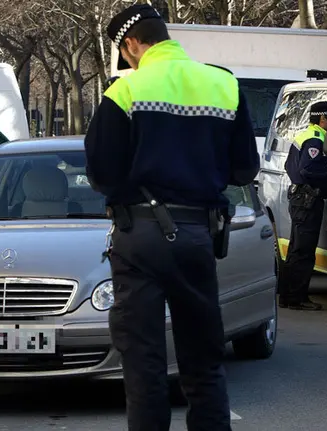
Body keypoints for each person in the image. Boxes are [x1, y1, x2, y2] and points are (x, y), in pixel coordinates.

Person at [83, 4, 259, 431]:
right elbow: (245, 169)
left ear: (131, 44)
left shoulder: (125, 90)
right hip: (198, 233)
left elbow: (101, 173)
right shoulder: (224, 84)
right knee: (204, 359)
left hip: (138, 237)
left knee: (143, 363)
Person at [278, 101, 327, 311]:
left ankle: (287, 296)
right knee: (304, 251)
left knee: (295, 249)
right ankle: (297, 298)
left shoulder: (305, 135)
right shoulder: (315, 139)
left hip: (300, 198)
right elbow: (307, 169)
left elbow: (289, 165)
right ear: (323, 118)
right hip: (307, 200)